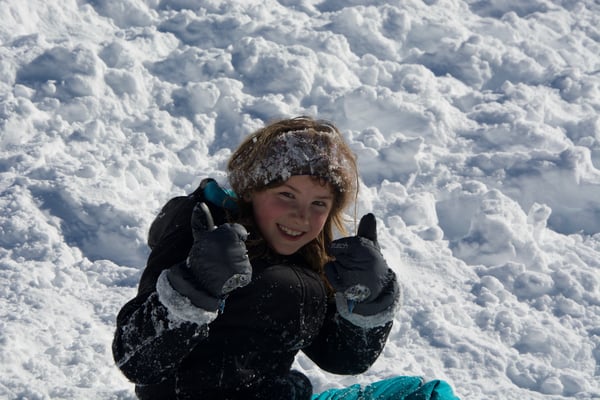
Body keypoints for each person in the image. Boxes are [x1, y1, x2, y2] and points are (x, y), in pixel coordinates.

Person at [112, 116, 401, 400]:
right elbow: (134, 358)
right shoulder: (203, 237)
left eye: (318, 203)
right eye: (287, 195)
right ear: (251, 189)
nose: (302, 216)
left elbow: (343, 358)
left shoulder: (309, 258)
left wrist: (369, 303)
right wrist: (194, 288)